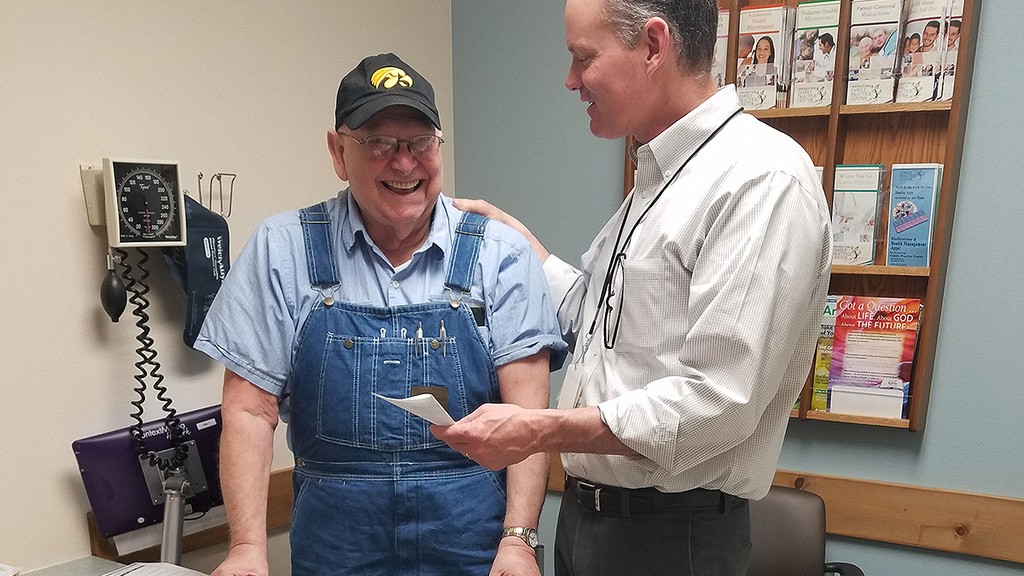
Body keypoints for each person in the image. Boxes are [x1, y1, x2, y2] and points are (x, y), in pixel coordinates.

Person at [432, 1, 833, 575]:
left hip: (670, 537)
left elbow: (718, 402)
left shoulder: (758, 178)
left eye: (582, 58)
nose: (570, 81)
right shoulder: (657, 180)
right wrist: (522, 246)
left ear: (652, 45)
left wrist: (540, 430)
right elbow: (592, 320)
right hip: (591, 521)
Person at [195, 52, 567, 576]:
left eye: (420, 142)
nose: (404, 162)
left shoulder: (501, 254)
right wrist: (247, 549)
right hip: (335, 542)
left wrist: (519, 542)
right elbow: (250, 413)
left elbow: (529, 421)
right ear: (338, 152)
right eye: (379, 143)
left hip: (471, 544)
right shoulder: (281, 251)